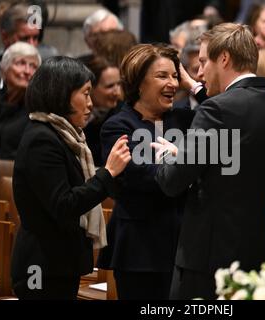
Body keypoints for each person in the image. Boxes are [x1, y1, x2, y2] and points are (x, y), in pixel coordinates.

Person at [152, 23, 265, 299]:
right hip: (254, 254)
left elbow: (172, 182)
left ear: (224, 58)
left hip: (206, 261)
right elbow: (233, 160)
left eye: (204, 61)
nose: (199, 71)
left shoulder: (216, 110)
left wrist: (171, 153)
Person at [11, 56, 131, 300]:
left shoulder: (66, 136)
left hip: (59, 263)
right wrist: (107, 174)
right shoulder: (42, 140)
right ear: (62, 94)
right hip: (41, 267)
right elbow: (64, 205)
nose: (90, 103)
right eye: (85, 94)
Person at [97, 44, 195, 300]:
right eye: (162, 76)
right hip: (139, 249)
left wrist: (192, 84)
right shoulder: (118, 125)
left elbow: (226, 116)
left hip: (184, 246)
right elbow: (141, 176)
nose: (172, 83)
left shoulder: (185, 120)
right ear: (138, 83)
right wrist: (188, 164)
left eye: (175, 76)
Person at [0, 42, 41, 159]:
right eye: (21, 63)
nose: (27, 71)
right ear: (4, 69)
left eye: (33, 66)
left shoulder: (37, 110)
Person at [0, 3, 40, 92]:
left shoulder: (45, 75)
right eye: (24, 38)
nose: (32, 45)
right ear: (5, 37)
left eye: (35, 38)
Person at [84, 56, 122, 166]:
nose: (117, 92)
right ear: (90, 88)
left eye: (118, 84)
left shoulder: (121, 115)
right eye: (110, 86)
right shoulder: (75, 114)